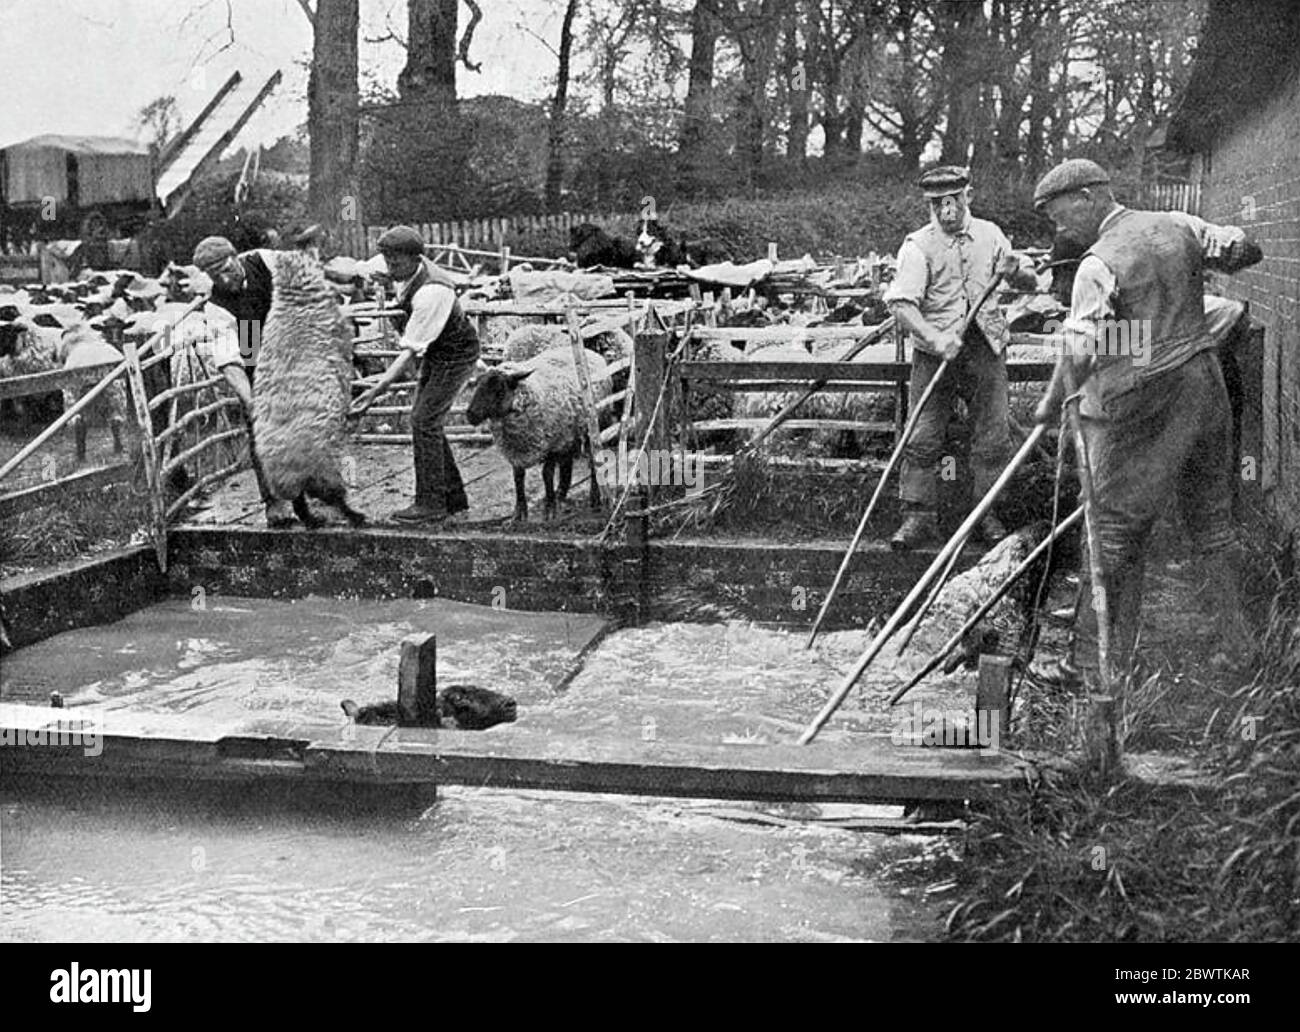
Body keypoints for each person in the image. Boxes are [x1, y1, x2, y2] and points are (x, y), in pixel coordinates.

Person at [1031, 158, 1263, 682]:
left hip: (1153, 401)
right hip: (1208, 387)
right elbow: (1245, 248)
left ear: (1088, 197)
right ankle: (1240, 650)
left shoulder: (1097, 264)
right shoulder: (1178, 224)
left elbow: (1079, 352)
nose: (1057, 227)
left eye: (1058, 214)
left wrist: (1049, 407)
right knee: (1213, 525)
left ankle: (1093, 666)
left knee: (1111, 529)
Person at [883, 165, 1038, 550]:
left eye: (952, 201)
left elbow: (1030, 281)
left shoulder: (991, 235)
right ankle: (918, 517)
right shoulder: (917, 246)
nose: (946, 211)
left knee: (993, 436)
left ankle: (985, 514)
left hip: (985, 348)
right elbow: (902, 305)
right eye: (937, 204)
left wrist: (1017, 271)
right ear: (929, 205)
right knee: (922, 434)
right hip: (935, 354)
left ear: (968, 195)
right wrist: (935, 339)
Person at [350, 226, 481, 524]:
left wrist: (374, 391)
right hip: (436, 349)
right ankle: (452, 496)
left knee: (424, 419)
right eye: (387, 262)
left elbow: (409, 352)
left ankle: (432, 502)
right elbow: (350, 268)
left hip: (456, 352)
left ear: (415, 259)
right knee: (424, 419)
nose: (389, 268)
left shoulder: (433, 292)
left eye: (395, 264)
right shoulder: (394, 264)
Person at [191, 235, 294, 527]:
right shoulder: (218, 306)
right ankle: (275, 502)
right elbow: (229, 359)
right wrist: (251, 401)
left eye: (227, 268)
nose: (224, 278)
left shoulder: (265, 260)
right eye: (215, 275)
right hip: (252, 340)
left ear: (237, 257)